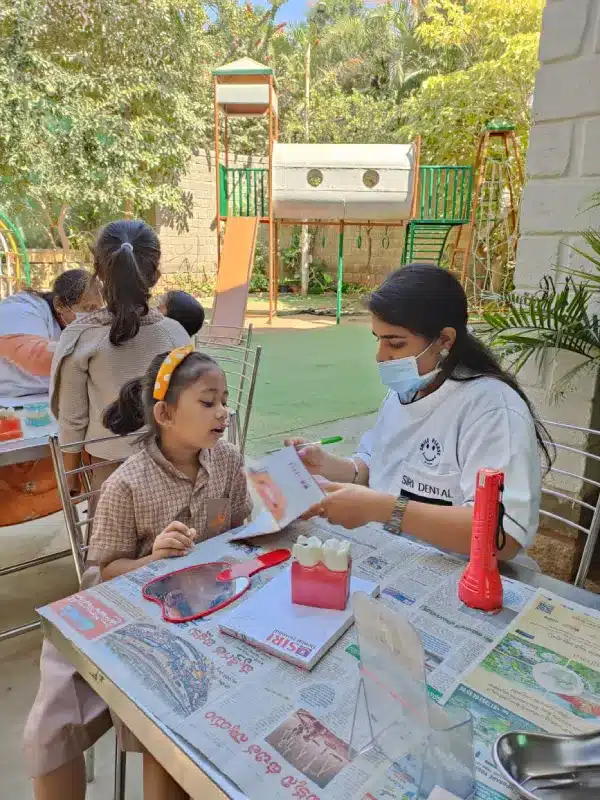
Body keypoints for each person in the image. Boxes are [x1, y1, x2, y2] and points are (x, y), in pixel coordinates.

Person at [24, 346, 251, 800]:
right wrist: (154, 561)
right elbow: (104, 572)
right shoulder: (127, 483)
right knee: (57, 729)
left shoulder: (226, 460)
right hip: (130, 614)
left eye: (225, 401)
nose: (223, 412)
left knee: (184, 726)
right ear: (165, 414)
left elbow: (240, 526)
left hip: (207, 608)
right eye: (208, 402)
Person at [290, 264, 552, 561]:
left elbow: (504, 536)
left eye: (395, 343)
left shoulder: (491, 410)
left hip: (461, 570)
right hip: (394, 554)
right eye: (378, 339)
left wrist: (381, 509)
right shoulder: (405, 392)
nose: (381, 356)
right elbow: (377, 467)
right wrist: (326, 465)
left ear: (445, 340)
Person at [50, 219, 191, 472]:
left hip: (108, 476)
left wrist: (70, 479)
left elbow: (72, 420)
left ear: (99, 272)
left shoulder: (80, 338)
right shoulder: (176, 334)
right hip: (173, 472)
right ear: (156, 275)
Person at [0, 269, 103, 526]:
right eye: (87, 308)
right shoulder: (21, 309)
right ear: (60, 304)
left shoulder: (76, 326)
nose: (94, 315)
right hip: (9, 401)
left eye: (98, 308)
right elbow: (35, 356)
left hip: (41, 405)